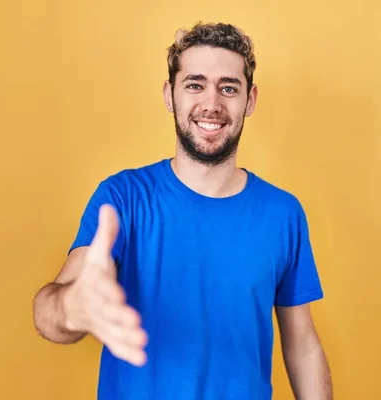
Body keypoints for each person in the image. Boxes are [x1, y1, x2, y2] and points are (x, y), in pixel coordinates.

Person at [33, 21, 332, 399]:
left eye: (228, 88)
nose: (212, 104)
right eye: (195, 84)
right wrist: (73, 305)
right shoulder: (122, 198)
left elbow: (302, 344)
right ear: (169, 95)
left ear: (250, 100)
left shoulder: (283, 213)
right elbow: (51, 311)